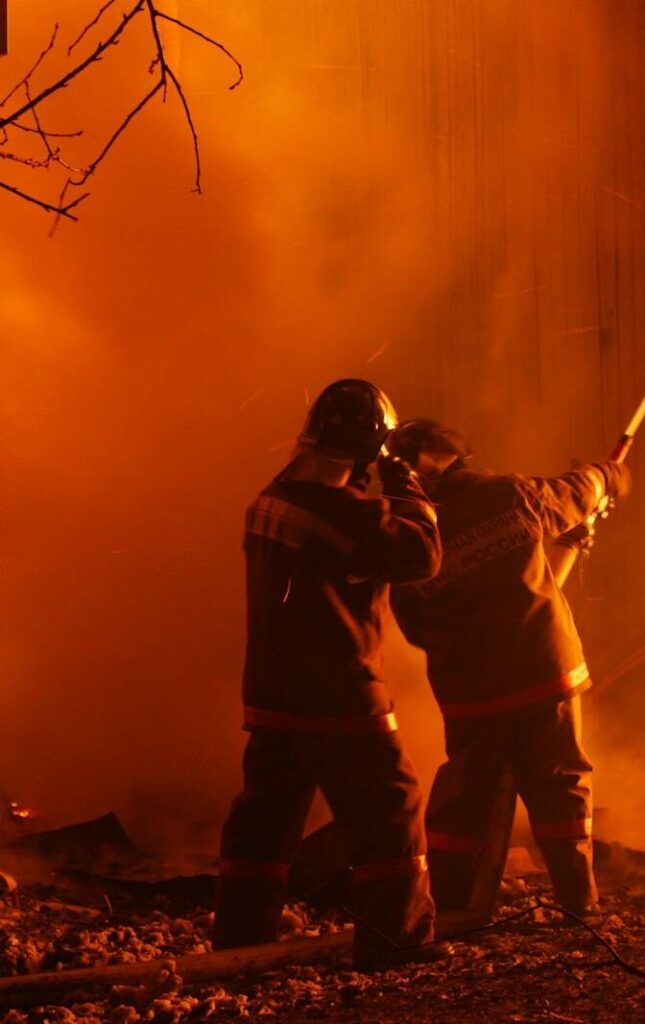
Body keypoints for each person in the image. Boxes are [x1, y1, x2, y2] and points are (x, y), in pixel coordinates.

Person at [213, 379, 444, 968]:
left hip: (273, 692)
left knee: (264, 823)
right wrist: (405, 482)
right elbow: (421, 555)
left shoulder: (271, 496)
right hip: (339, 694)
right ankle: (396, 941)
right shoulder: (342, 513)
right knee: (393, 807)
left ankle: (240, 943)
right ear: (370, 451)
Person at [386, 420, 630, 916]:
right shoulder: (507, 495)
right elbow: (575, 492)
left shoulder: (407, 533)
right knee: (561, 786)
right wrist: (608, 476)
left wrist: (568, 545)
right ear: (452, 456)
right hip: (543, 675)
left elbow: (415, 627)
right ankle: (578, 906)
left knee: (464, 799)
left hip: (471, 692)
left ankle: (452, 907)